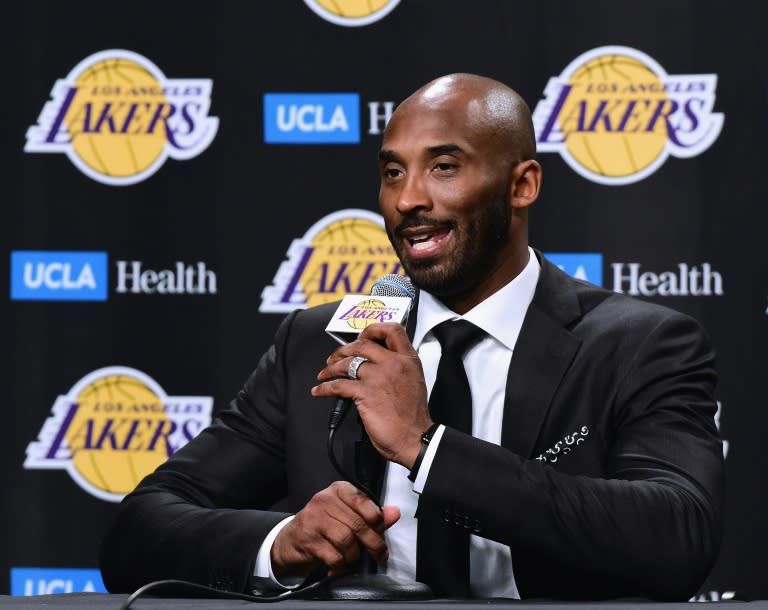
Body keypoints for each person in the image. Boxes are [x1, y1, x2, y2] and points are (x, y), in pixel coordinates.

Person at [99, 73, 724, 601]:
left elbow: (676, 538)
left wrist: (427, 447)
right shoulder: (318, 340)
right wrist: (280, 543)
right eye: (392, 172)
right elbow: (140, 529)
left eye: (444, 167)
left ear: (522, 185)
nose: (408, 199)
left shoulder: (640, 344)